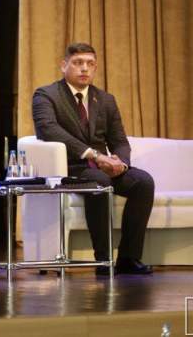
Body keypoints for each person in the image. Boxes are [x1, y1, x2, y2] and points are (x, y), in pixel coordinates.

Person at [31, 42, 156, 275]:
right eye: (78, 63)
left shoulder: (105, 99)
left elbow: (119, 140)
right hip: (70, 166)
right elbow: (48, 130)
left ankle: (129, 258)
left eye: (90, 64)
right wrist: (96, 156)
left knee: (143, 182)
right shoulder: (46, 95)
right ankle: (103, 260)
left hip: (102, 167)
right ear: (64, 65)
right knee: (100, 181)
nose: (84, 68)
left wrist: (121, 164)